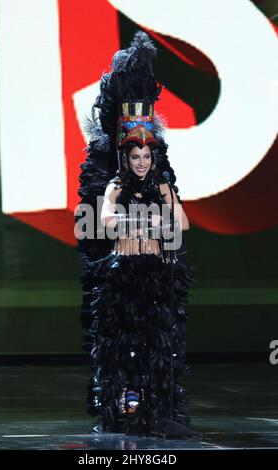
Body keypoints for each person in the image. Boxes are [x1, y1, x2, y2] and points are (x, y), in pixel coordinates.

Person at [75, 31, 195, 438]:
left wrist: (150, 226)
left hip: (155, 271)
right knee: (123, 345)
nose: (142, 160)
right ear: (125, 154)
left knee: (159, 343)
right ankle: (125, 409)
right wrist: (145, 225)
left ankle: (162, 411)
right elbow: (104, 222)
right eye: (135, 154)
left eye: (147, 153)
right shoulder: (112, 183)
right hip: (122, 272)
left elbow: (181, 223)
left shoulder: (161, 182)